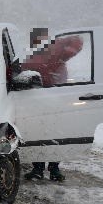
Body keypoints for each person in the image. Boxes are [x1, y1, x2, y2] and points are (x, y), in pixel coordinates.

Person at [21, 28, 84, 182]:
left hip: (58, 97)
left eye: (43, 40)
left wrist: (64, 47)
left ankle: (54, 168)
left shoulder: (58, 51)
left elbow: (77, 40)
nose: (41, 43)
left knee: (55, 134)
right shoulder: (30, 57)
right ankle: (38, 168)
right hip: (38, 100)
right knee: (39, 134)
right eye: (37, 41)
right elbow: (18, 72)